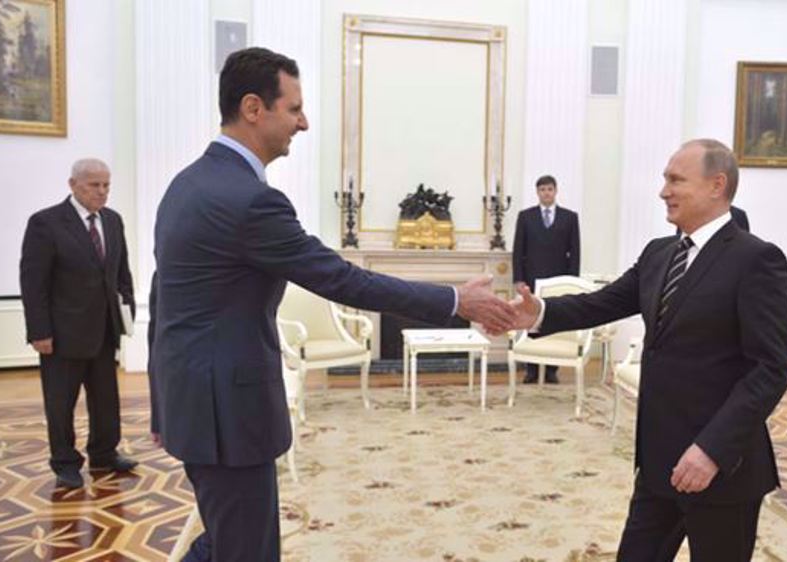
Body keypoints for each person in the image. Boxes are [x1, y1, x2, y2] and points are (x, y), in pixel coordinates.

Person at [148, 47, 515, 561]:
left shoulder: (185, 185)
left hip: (194, 403)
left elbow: (163, 301)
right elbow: (341, 280)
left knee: (221, 541)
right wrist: (455, 300)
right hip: (227, 413)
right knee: (245, 551)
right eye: (294, 108)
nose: (304, 122)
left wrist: (164, 405)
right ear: (254, 108)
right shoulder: (250, 200)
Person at [511, 139, 787, 561]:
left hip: (721, 469)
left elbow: (770, 369)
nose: (663, 190)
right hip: (660, 460)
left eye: (676, 180)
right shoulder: (659, 253)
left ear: (717, 185)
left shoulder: (757, 260)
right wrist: (538, 314)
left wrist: (712, 450)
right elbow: (601, 302)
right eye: (664, 179)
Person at [20, 158, 138, 489]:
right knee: (61, 403)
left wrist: (126, 308)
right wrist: (39, 331)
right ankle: (65, 462)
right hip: (61, 335)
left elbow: (121, 272)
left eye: (106, 185)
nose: (102, 192)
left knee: (106, 399)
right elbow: (33, 283)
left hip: (104, 330)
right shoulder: (46, 223)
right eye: (94, 185)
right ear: (73, 185)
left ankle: (104, 452)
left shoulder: (113, 221)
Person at [511, 174, 580, 383]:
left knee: (554, 319)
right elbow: (518, 250)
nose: (546, 193)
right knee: (532, 321)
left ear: (555, 191)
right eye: (542, 189)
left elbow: (575, 251)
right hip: (531, 279)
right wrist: (519, 279)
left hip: (559, 279)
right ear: (537, 192)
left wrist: (572, 280)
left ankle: (551, 370)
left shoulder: (570, 217)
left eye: (549, 189)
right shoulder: (526, 217)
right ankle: (531, 369)